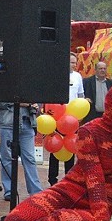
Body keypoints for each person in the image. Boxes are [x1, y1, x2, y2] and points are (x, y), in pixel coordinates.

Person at [1, 82, 112, 221]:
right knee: (15, 220)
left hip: (93, 212)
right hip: (66, 193)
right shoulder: (90, 131)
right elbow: (95, 182)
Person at [48, 51, 85, 186]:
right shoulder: (56, 76)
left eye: (75, 62)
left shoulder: (78, 77)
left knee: (71, 146)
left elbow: (81, 95)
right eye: (71, 62)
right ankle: (53, 179)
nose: (73, 65)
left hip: (72, 117)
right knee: (55, 145)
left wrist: (80, 114)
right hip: (58, 116)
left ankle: (69, 177)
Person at [0, 101, 43, 202]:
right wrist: (18, 103)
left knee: (30, 158)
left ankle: (36, 191)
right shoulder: (3, 84)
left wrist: (36, 106)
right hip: (8, 123)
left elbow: (38, 100)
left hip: (28, 122)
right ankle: (10, 190)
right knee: (7, 157)